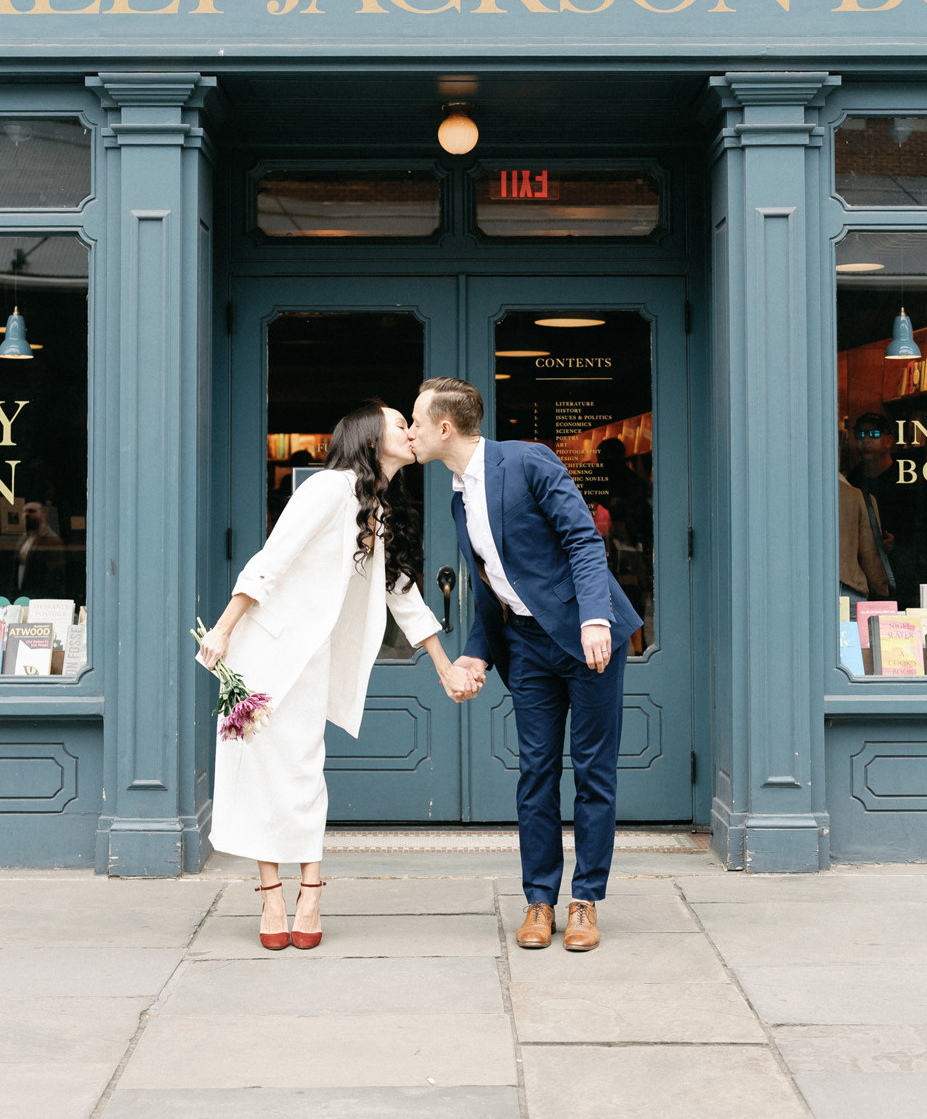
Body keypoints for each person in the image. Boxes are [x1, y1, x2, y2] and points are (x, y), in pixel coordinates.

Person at [199, 400, 474, 951]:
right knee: (262, 771)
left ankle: (312, 891)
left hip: (315, 657)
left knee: (303, 770)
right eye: (402, 423)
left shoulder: (377, 507)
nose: (411, 431)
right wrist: (224, 629)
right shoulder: (327, 490)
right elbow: (271, 558)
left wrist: (444, 665)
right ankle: (274, 895)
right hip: (269, 651)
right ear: (372, 439)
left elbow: (402, 592)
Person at [409, 377, 642, 954]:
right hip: (529, 647)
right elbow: (492, 584)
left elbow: (584, 541)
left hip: (590, 641)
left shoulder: (529, 461)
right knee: (535, 772)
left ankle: (585, 901)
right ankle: (540, 900)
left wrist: (594, 618)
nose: (409, 433)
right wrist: (478, 650)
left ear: (445, 427)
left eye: (415, 422)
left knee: (593, 773)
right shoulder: (457, 495)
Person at [850, 412, 921, 607]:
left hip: (900, 577)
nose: (865, 441)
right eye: (860, 436)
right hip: (863, 577)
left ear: (889, 440)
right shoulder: (853, 479)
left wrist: (898, 545)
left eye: (873, 435)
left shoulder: (908, 478)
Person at [839, 429, 891, 603]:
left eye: (875, 434)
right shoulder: (858, 497)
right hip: (846, 590)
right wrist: (884, 591)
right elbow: (871, 556)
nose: (867, 440)